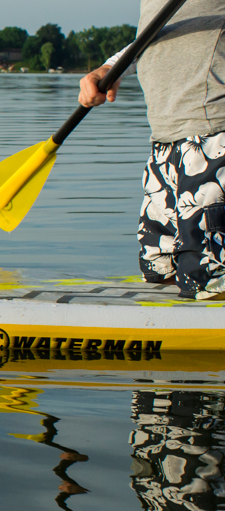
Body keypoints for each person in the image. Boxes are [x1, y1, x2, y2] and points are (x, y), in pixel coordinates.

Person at [79, 3, 225, 299]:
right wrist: (112, 67)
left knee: (209, 274)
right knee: (159, 267)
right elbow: (157, 34)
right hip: (165, 141)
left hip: (213, 135)